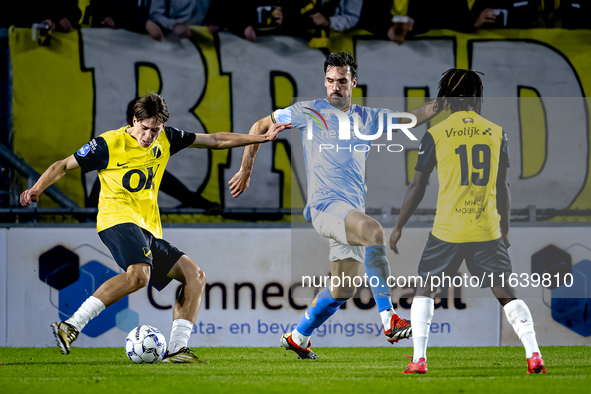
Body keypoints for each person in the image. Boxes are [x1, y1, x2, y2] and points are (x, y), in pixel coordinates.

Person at [20, 93, 290, 363]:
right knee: (140, 276)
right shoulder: (108, 144)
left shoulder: (167, 138)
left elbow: (215, 139)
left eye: (155, 130)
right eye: (145, 128)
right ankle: (71, 325)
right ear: (134, 120)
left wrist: (261, 139)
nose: (149, 136)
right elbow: (63, 165)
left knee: (195, 276)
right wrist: (36, 189)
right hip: (116, 219)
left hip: (146, 227)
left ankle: (176, 349)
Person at [229, 51, 440, 359]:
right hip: (325, 206)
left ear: (353, 82)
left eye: (342, 81)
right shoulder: (307, 111)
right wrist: (246, 169)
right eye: (330, 81)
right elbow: (260, 125)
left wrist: (441, 104)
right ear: (324, 81)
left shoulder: (368, 118)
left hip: (350, 212)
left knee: (343, 289)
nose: (335, 88)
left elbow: (412, 118)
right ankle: (389, 319)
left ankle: (298, 336)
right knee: (374, 231)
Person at [389, 69, 546, 374]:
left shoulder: (436, 132)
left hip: (447, 230)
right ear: (477, 95)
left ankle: (419, 359)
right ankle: (534, 353)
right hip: (486, 229)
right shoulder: (497, 132)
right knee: (505, 292)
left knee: (424, 291)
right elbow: (503, 187)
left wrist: (398, 227)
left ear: (446, 96)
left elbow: (417, 186)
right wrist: (505, 229)